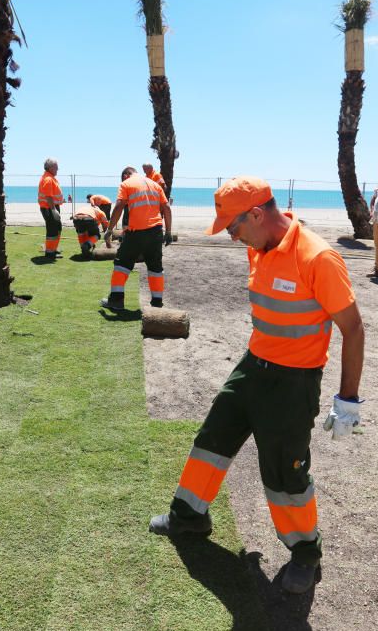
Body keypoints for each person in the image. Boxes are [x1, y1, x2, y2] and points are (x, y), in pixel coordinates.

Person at [149, 176, 365, 595]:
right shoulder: (259, 248)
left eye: (233, 227)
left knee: (285, 472)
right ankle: (190, 517)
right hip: (253, 367)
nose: (232, 236)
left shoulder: (317, 256)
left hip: (294, 382)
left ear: (256, 214)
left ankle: (306, 554)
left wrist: (348, 401)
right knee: (212, 438)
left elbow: (353, 329)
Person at [100, 166, 172, 310]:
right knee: (155, 267)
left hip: (136, 233)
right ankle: (157, 303)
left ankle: (116, 300)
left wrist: (109, 229)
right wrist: (168, 231)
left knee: (122, 264)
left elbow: (119, 205)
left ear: (126, 175)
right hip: (156, 231)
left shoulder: (126, 184)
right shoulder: (155, 185)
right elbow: (166, 208)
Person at [38, 158, 64, 260]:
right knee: (52, 230)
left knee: (57, 228)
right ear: (50, 167)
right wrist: (53, 210)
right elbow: (48, 197)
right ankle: (50, 253)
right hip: (49, 208)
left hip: (52, 206)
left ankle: (53, 249)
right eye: (56, 167)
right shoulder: (48, 179)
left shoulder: (50, 177)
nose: (58, 169)